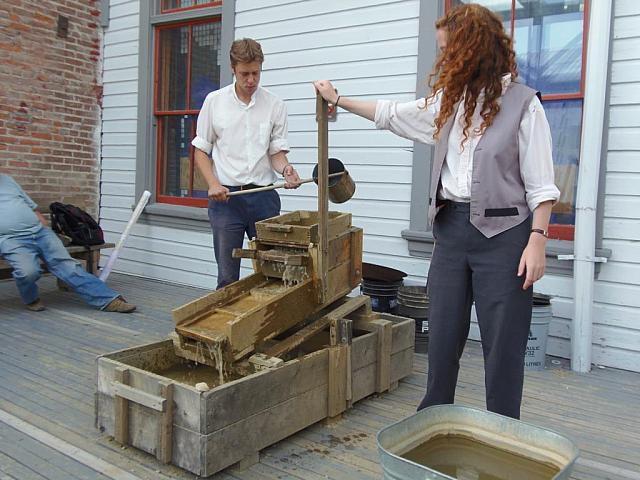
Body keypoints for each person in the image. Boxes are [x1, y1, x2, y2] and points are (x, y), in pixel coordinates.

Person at [314, 3, 560, 419]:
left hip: (506, 239)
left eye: (448, 50)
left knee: (503, 347)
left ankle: (502, 433)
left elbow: (542, 186)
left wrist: (538, 239)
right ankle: (432, 423)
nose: (442, 59)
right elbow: (394, 114)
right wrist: (338, 99)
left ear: (472, 50)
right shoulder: (449, 103)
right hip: (450, 232)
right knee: (442, 336)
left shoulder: (524, 105)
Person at [192, 38, 302, 289]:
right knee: (228, 278)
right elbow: (200, 151)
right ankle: (230, 327)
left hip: (264, 198)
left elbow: (276, 154)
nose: (250, 80)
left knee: (274, 273)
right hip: (226, 200)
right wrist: (212, 184)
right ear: (233, 68)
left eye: (255, 73)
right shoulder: (214, 102)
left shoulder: (275, 105)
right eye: (245, 74)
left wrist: (286, 170)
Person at [0, 173, 136, 313]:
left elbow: (31, 206)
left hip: (40, 232)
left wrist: (43, 225)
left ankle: (108, 300)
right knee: (28, 272)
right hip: (11, 239)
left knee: (68, 266)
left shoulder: (7, 180)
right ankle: (31, 299)